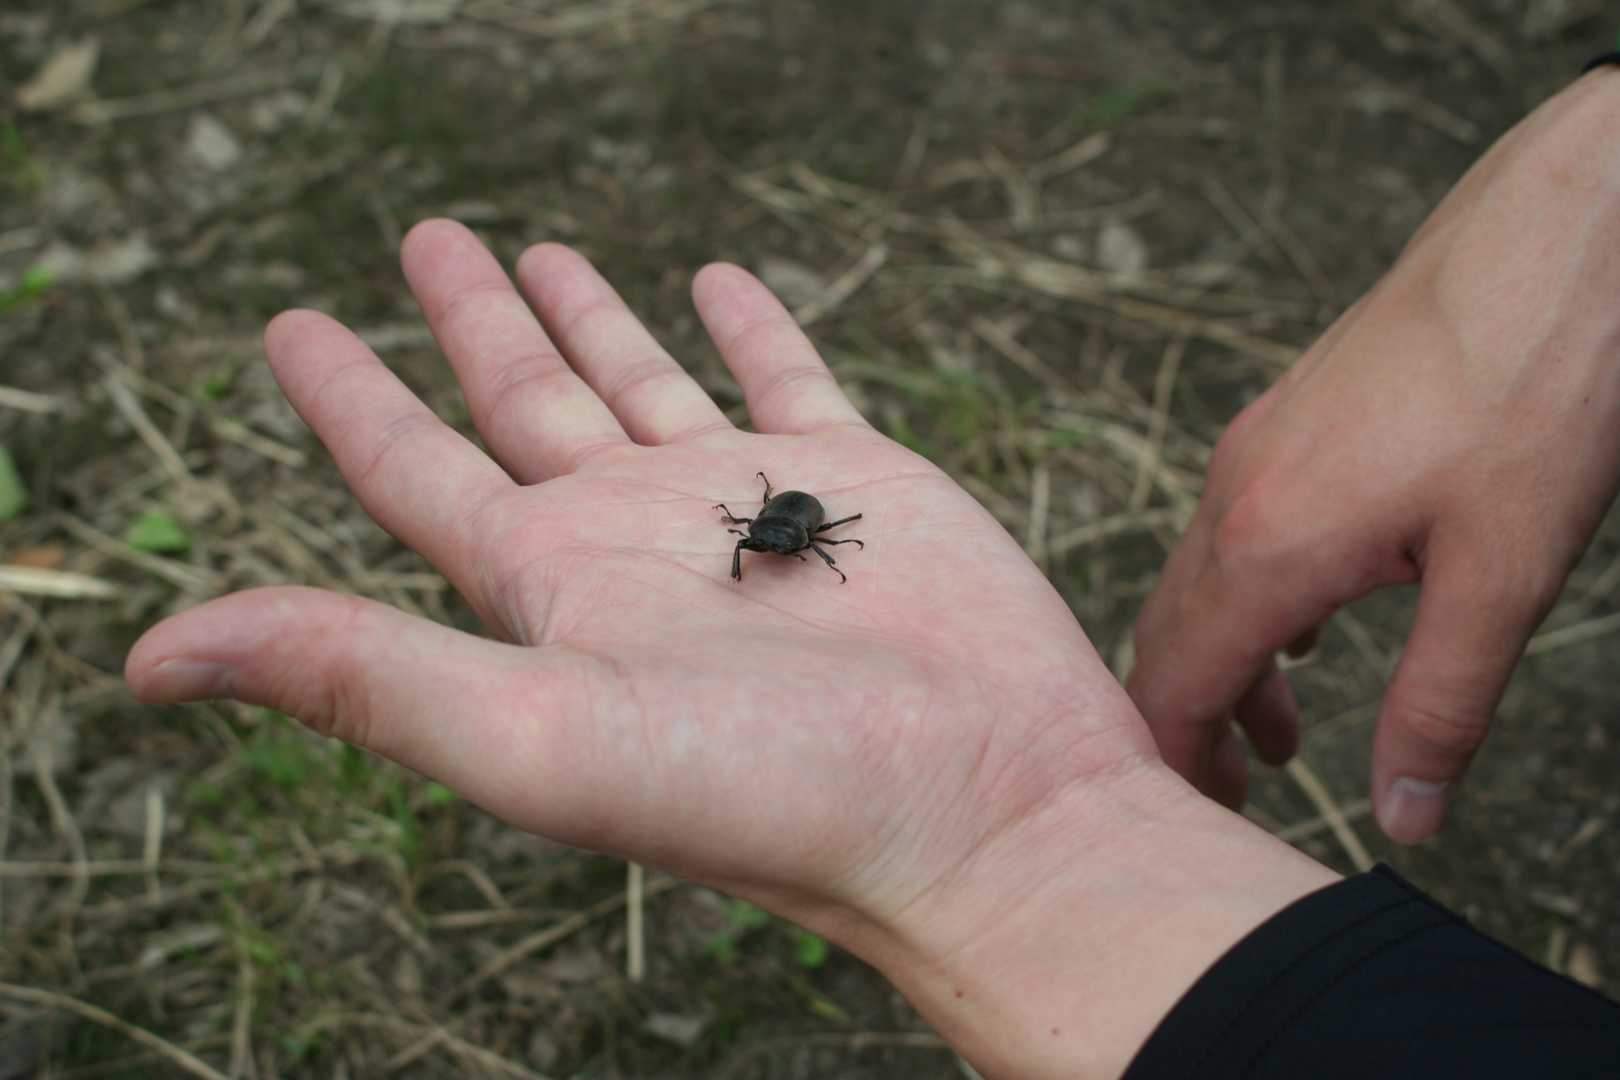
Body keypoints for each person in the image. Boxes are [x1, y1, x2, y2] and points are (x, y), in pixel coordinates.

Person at [126, 59, 1620, 1079]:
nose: (779, 553)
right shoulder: (773, 533)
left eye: (784, 546)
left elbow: (806, 527)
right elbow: (775, 528)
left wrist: (1008, 840)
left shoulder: (805, 530)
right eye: (773, 546)